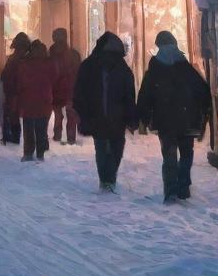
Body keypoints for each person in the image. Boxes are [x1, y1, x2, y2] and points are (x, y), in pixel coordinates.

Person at [136, 30, 211, 203]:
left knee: (169, 155)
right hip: (187, 119)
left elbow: (145, 95)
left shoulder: (154, 68)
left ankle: (170, 191)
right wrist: (203, 115)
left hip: (165, 121)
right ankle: (183, 188)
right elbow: (204, 91)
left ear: (159, 46)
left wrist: (143, 118)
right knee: (186, 154)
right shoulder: (186, 67)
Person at [72, 31, 137, 193]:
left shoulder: (91, 65)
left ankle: (106, 178)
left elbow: (79, 91)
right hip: (112, 115)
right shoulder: (120, 68)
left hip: (102, 114)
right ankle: (108, 177)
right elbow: (129, 94)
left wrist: (81, 110)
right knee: (112, 146)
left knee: (105, 146)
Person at [17, 39, 54, 162]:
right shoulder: (49, 62)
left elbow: (20, 81)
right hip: (44, 99)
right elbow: (55, 77)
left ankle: (28, 152)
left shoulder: (25, 62)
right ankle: (40, 153)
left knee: (28, 128)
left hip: (28, 99)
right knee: (41, 128)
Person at [49, 28, 81, 145]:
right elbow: (79, 72)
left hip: (56, 90)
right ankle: (71, 138)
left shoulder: (51, 54)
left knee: (58, 114)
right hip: (70, 90)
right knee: (70, 115)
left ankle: (58, 135)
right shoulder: (74, 55)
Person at [0, 32, 30, 145]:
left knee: (12, 113)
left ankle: (13, 136)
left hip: (13, 90)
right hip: (23, 90)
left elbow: (5, 75)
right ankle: (19, 136)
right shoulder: (29, 59)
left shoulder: (13, 59)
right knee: (23, 114)